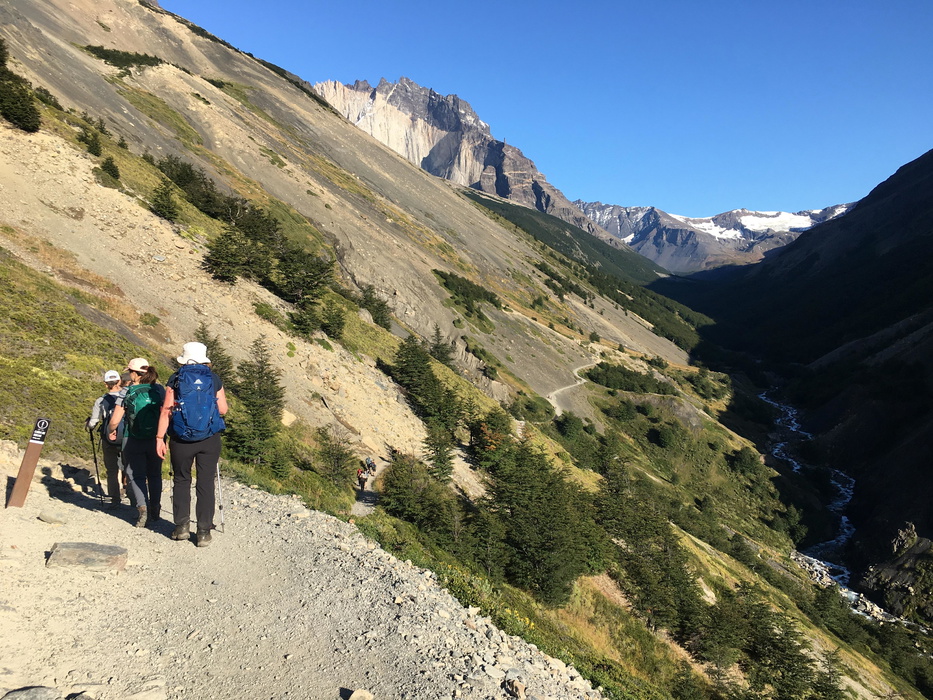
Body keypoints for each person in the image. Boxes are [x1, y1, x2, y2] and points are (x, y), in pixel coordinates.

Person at [156, 342, 227, 547]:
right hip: (209, 438)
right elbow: (223, 409)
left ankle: (181, 528)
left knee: (181, 480)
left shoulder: (175, 378)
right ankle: (203, 532)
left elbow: (166, 410)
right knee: (205, 482)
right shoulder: (213, 379)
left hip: (181, 438)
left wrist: (160, 438)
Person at [109, 358, 165, 527]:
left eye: (130, 372)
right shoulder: (159, 390)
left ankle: (142, 507)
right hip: (156, 438)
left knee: (134, 474)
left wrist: (111, 430)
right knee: (154, 474)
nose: (129, 375)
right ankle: (155, 507)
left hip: (132, 437)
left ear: (135, 373)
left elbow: (115, 420)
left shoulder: (126, 391)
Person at [86, 370, 125, 507]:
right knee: (130, 467)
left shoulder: (101, 401)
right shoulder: (128, 397)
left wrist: (88, 425)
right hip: (127, 438)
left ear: (105, 384)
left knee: (112, 470)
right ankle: (134, 499)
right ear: (119, 381)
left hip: (108, 438)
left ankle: (115, 499)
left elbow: (93, 422)